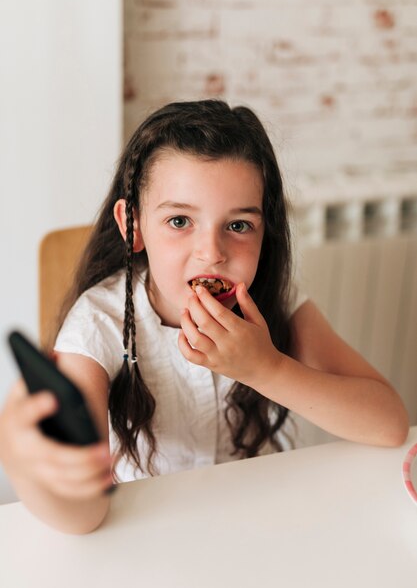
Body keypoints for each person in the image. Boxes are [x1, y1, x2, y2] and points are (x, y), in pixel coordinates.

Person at [0, 99, 409, 534]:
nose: (212, 253)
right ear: (133, 226)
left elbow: (389, 425)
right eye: (180, 221)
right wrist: (29, 467)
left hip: (260, 522)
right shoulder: (98, 324)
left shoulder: (276, 301)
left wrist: (266, 368)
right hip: (152, 533)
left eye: (237, 226)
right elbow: (85, 516)